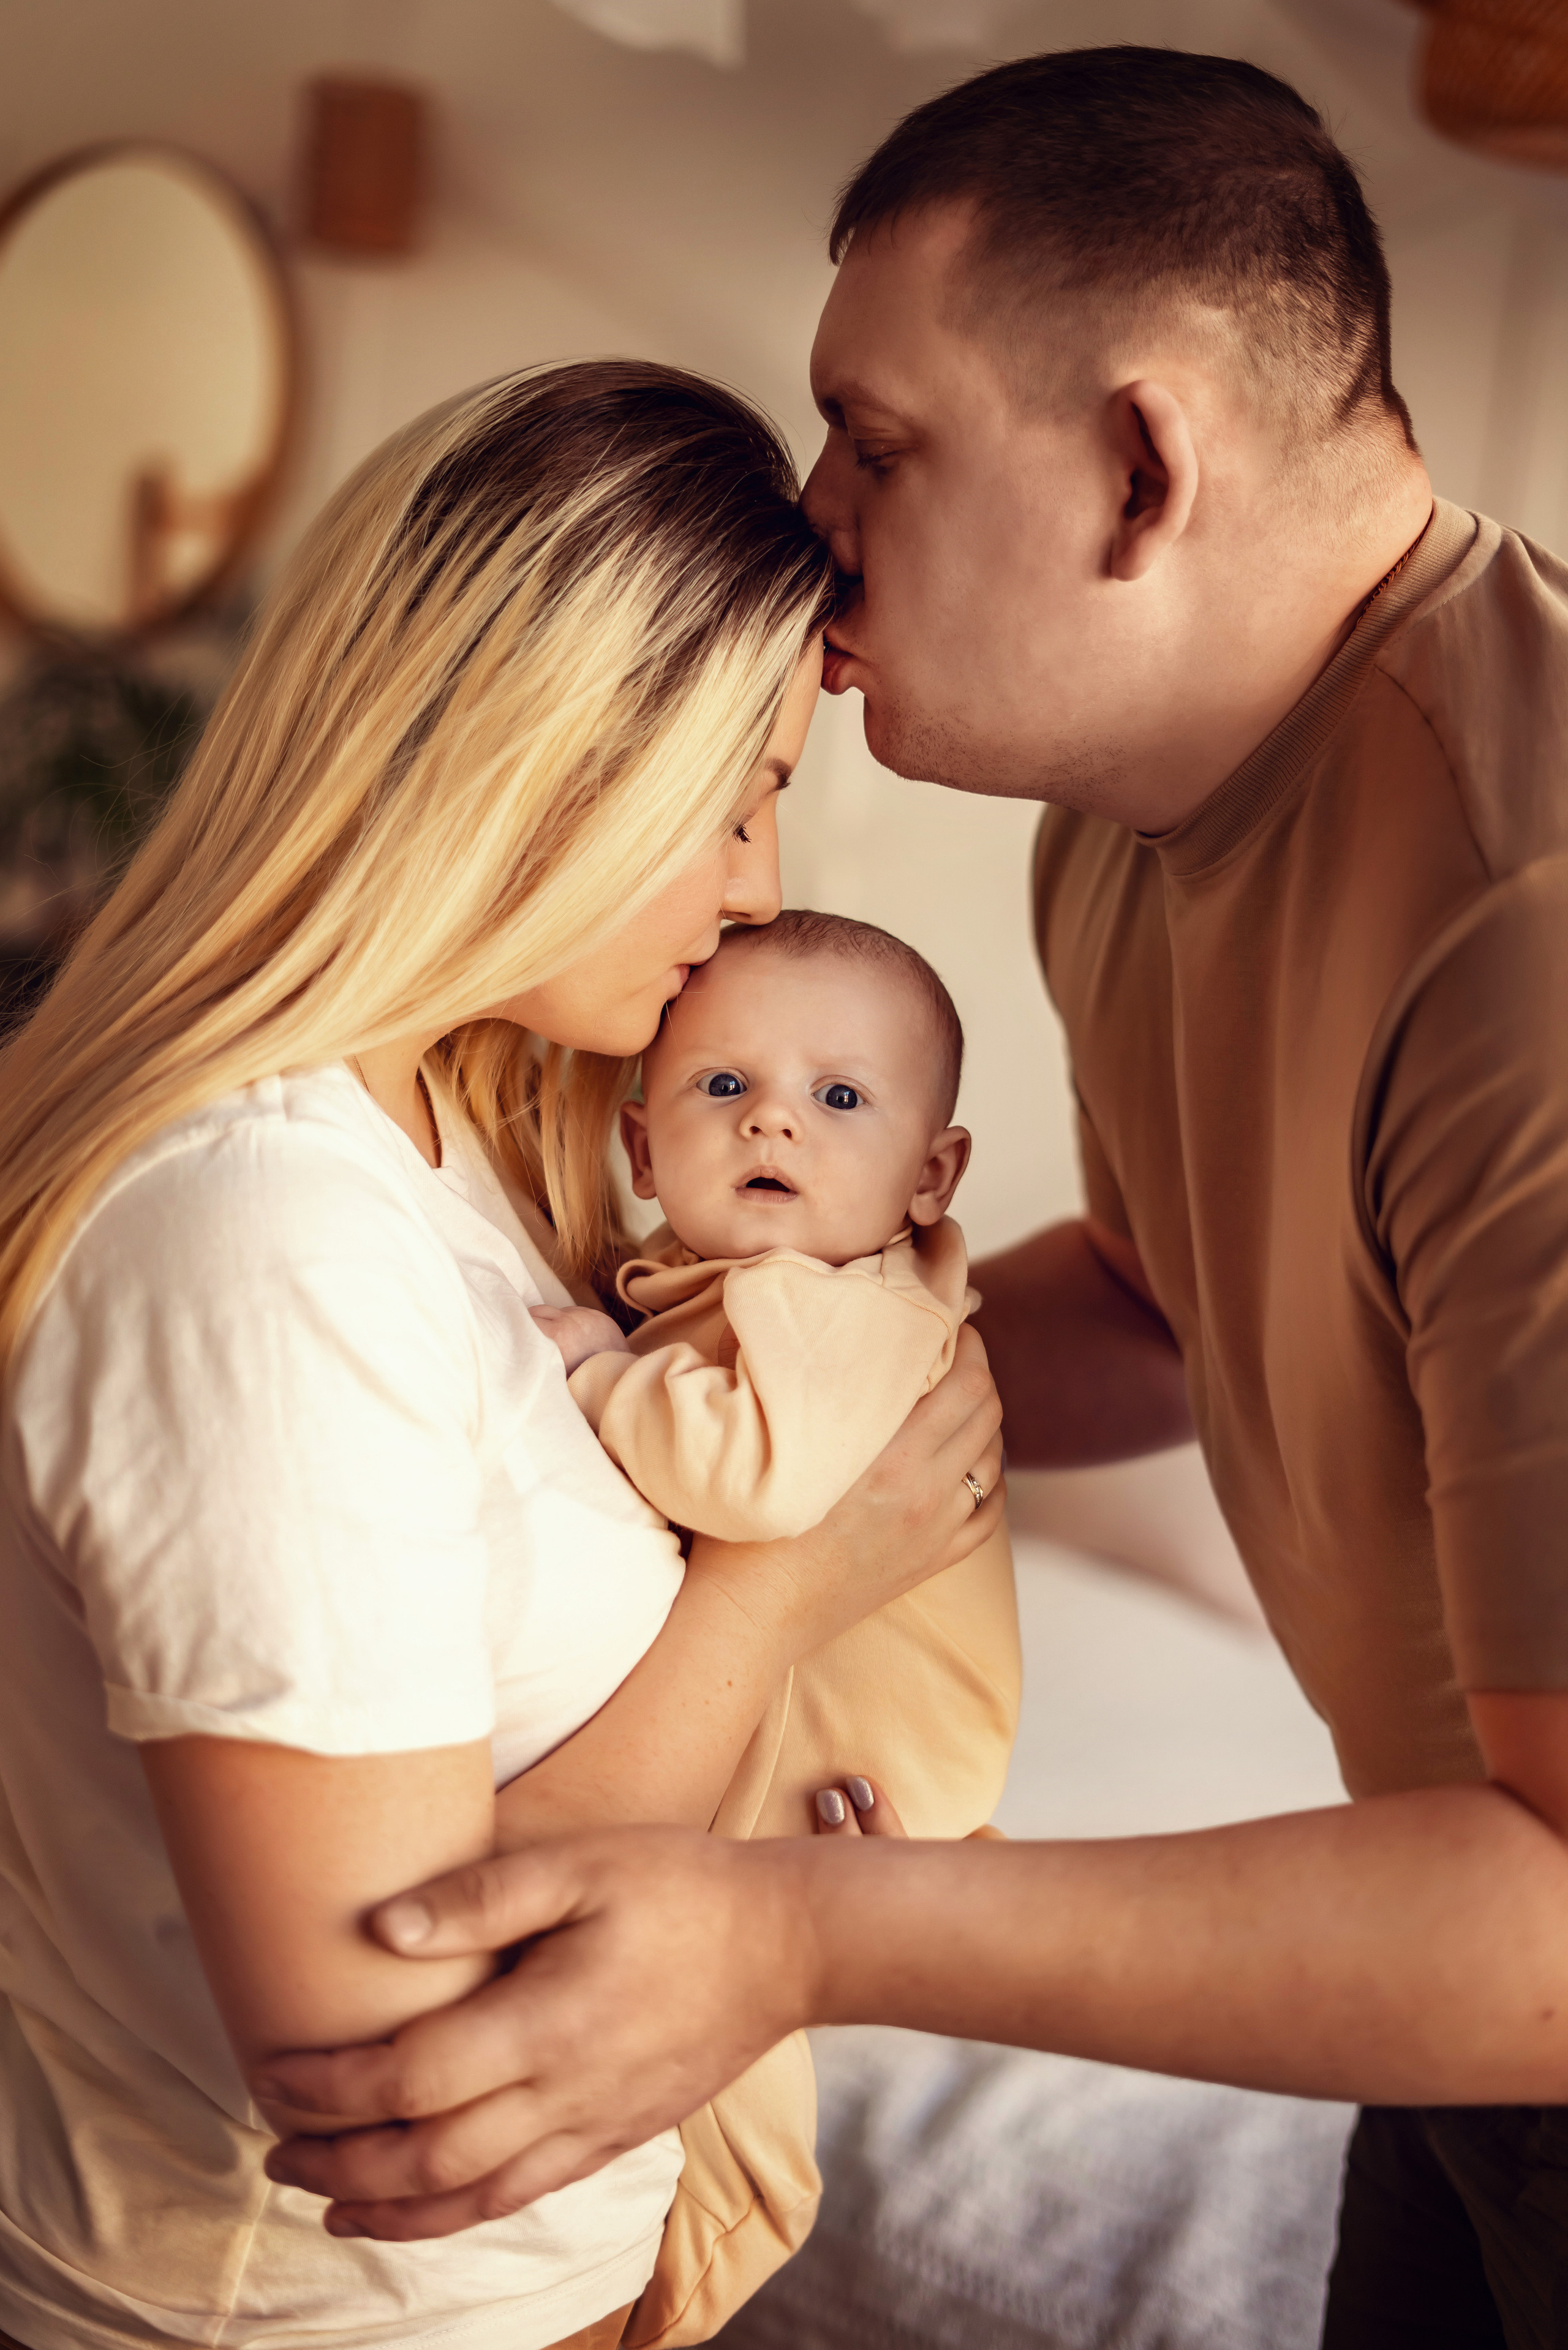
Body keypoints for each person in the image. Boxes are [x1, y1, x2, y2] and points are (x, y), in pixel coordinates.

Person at [255, 48, 1568, 2350]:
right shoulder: (1130, 830)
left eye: (880, 440)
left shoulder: (1529, 923)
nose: (814, 510)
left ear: (1143, 464)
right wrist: (720, 1390)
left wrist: (786, 1928)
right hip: (1436, 2040)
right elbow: (1167, 1312)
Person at [0, 361, 1006, 2350]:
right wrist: (797, 1580)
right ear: (527, 758)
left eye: (772, 800)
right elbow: (391, 2050)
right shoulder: (260, 1235)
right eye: (725, 805)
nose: (753, 887)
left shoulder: (470, 1135)